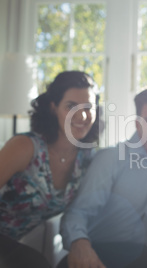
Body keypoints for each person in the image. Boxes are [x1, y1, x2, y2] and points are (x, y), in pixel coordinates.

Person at [58, 87, 147, 268]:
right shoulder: (111, 158)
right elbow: (77, 213)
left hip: (145, 256)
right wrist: (80, 245)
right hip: (99, 254)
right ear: (137, 124)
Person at [0, 71, 101, 268]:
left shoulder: (88, 158)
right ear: (53, 108)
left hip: (16, 242)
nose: (81, 115)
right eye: (71, 106)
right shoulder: (26, 146)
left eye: (88, 107)